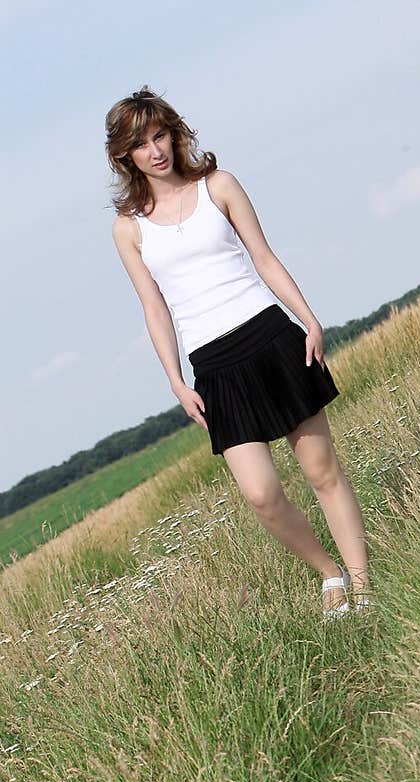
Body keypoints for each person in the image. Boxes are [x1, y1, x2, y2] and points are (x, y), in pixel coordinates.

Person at [106, 86, 371, 620]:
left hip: (268, 336)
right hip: (213, 366)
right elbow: (154, 310)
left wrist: (309, 319)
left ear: (174, 133)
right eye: (141, 143)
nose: (155, 150)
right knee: (261, 495)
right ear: (125, 156)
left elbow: (264, 258)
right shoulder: (128, 230)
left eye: (160, 135)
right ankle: (329, 573)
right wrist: (177, 382)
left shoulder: (218, 186)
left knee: (322, 471)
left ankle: (361, 584)